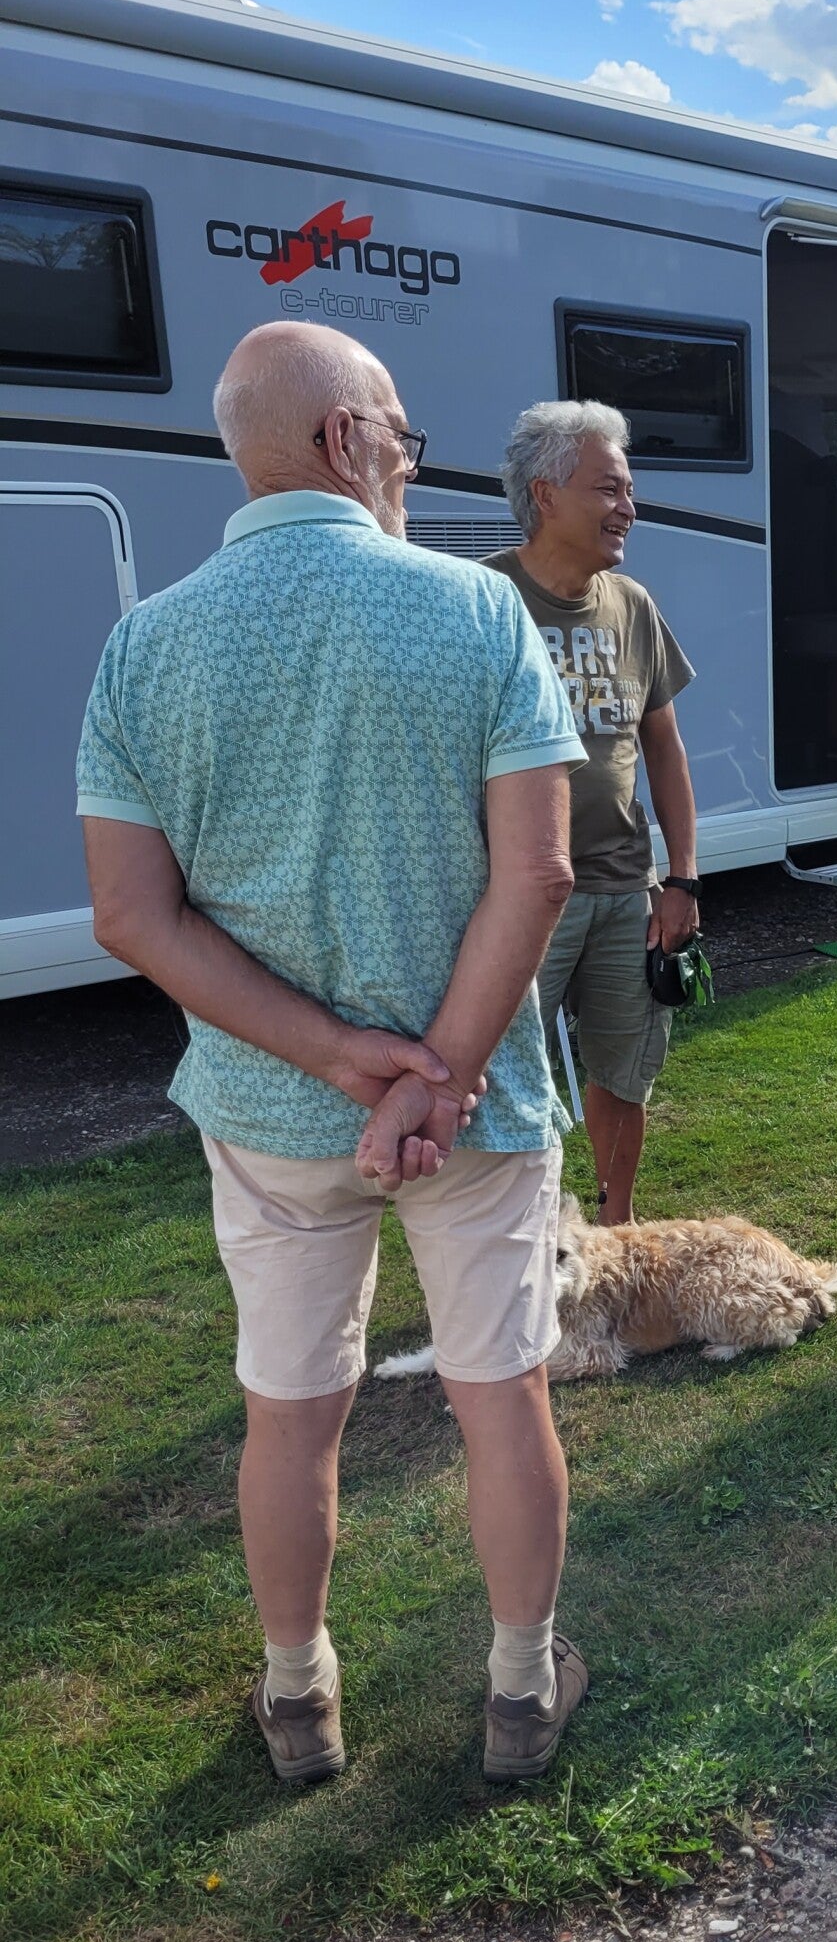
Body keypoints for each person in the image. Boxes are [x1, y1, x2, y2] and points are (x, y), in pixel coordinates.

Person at [76, 321, 592, 1789]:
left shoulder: (144, 644)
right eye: (404, 437)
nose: (411, 465)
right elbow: (540, 871)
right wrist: (434, 1071)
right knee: (501, 1395)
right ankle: (519, 1689)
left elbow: (130, 915)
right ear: (347, 439)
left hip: (268, 1111)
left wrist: (342, 1058)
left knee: (290, 1414)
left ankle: (299, 1695)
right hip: (475, 1108)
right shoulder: (479, 610)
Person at [490, 403, 699, 1227]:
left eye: (629, 489)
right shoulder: (484, 600)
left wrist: (682, 879)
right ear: (545, 494)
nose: (627, 508)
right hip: (514, 897)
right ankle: (522, 1235)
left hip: (623, 889)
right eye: (608, 489)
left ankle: (615, 1229)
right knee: (508, 1078)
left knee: (623, 1070)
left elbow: (665, 752)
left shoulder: (631, 605)